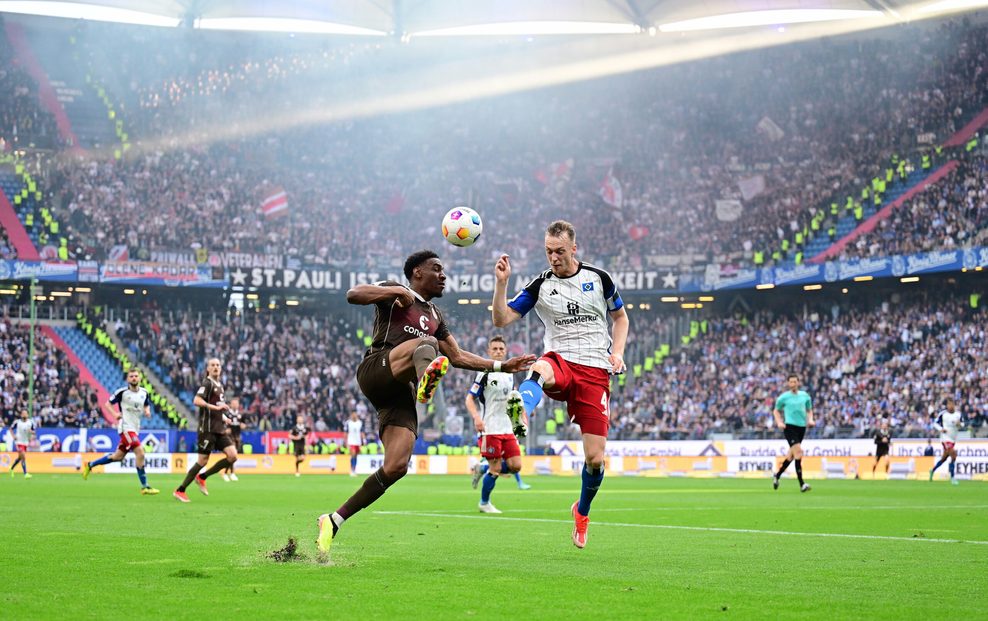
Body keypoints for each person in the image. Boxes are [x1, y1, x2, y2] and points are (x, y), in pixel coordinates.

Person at [316, 249, 534, 556]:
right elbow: (354, 294)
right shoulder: (396, 291)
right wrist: (395, 291)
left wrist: (501, 366)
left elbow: (457, 357)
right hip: (377, 369)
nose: (444, 276)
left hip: (399, 395)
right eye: (437, 269)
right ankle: (426, 379)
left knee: (396, 467)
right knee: (428, 344)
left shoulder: (435, 316)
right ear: (418, 273)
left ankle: (334, 519)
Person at [492, 221, 629, 548]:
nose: (553, 257)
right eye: (548, 251)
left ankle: (581, 511)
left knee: (595, 459)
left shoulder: (599, 278)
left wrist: (619, 353)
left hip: (596, 370)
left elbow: (620, 318)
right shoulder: (540, 284)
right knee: (540, 366)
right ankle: (522, 410)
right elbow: (501, 320)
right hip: (561, 360)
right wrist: (501, 285)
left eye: (559, 251)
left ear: (573, 249)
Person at [466, 335, 529, 513]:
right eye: (495, 349)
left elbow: (514, 398)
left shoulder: (510, 373)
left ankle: (482, 468)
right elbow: (469, 398)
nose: (498, 352)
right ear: (488, 352)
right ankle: (484, 502)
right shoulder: (483, 373)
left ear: (506, 351)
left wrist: (523, 416)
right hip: (489, 429)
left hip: (507, 429)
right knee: (495, 469)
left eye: (501, 349)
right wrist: (476, 417)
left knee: (516, 465)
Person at [83, 369, 159, 495]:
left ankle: (90, 465)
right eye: (131, 376)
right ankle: (145, 486)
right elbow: (107, 404)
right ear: (127, 379)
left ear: (139, 378)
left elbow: (146, 404)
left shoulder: (144, 393)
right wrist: (115, 414)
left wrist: (147, 411)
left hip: (135, 428)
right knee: (140, 452)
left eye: (136, 376)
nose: (134, 378)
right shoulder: (122, 392)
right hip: (125, 428)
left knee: (117, 457)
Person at [174, 358, 238, 503]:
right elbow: (196, 401)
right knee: (202, 461)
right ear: (208, 369)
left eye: (218, 365)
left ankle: (202, 477)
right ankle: (180, 490)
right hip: (207, 429)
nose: (215, 367)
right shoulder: (207, 383)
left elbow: (217, 407)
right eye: (212, 365)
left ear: (221, 368)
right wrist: (216, 408)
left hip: (219, 429)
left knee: (233, 456)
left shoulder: (220, 385)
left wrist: (223, 417)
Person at [772, 374, 814, 493]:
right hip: (790, 427)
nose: (793, 384)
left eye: (794, 382)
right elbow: (776, 411)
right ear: (788, 383)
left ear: (798, 382)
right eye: (790, 382)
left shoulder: (805, 396)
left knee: (791, 456)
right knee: (799, 452)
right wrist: (779, 422)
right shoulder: (783, 397)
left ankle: (777, 475)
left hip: (802, 427)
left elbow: (809, 410)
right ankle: (802, 484)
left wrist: (810, 419)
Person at [930, 398, 963, 485]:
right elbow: (935, 423)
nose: (951, 406)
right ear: (947, 405)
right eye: (949, 404)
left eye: (952, 404)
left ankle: (932, 470)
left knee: (944, 458)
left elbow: (963, 424)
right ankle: (952, 477)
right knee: (953, 454)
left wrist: (959, 424)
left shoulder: (958, 415)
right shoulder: (943, 414)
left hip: (953, 439)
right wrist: (941, 429)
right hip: (945, 439)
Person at [8, 410, 35, 478]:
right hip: (18, 442)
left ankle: (11, 468)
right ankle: (25, 473)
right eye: (22, 413)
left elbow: (34, 432)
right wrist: (13, 436)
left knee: (20, 458)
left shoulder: (30, 422)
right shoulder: (17, 422)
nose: (24, 414)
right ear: (21, 415)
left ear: (28, 415)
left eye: (25, 413)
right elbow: (10, 429)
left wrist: (30, 433)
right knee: (23, 455)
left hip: (25, 442)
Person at [223, 397, 243, 482]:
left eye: (236, 404)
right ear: (231, 404)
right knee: (232, 455)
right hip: (229, 437)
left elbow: (243, 424)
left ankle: (229, 473)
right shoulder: (227, 414)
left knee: (233, 456)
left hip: (237, 437)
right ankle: (228, 473)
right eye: (234, 403)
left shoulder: (240, 415)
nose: (235, 405)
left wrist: (243, 425)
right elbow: (221, 423)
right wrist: (225, 429)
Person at [343, 411, 365, 477]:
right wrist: (346, 442)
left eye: (355, 414)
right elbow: (346, 433)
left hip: (358, 442)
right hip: (351, 441)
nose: (354, 416)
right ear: (351, 415)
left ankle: (354, 470)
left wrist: (364, 440)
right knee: (353, 454)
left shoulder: (360, 423)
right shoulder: (348, 423)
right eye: (353, 414)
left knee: (356, 456)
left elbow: (362, 432)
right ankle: (352, 470)